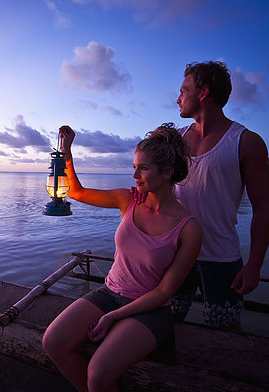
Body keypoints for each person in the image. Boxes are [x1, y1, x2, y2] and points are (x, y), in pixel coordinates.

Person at [42, 124, 202, 392]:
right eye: (134, 166)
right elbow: (75, 192)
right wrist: (67, 152)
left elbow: (164, 292)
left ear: (167, 172)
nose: (135, 175)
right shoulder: (128, 200)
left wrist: (114, 316)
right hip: (109, 293)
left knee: (99, 373)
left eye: (143, 168)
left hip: (149, 309)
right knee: (54, 342)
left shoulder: (189, 229)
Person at [170, 61, 269, 329]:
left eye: (184, 91)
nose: (178, 98)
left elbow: (264, 206)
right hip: (175, 252)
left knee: (225, 333)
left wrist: (254, 265)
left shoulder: (246, 141)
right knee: (163, 324)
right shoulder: (173, 141)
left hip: (221, 257)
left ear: (203, 93)